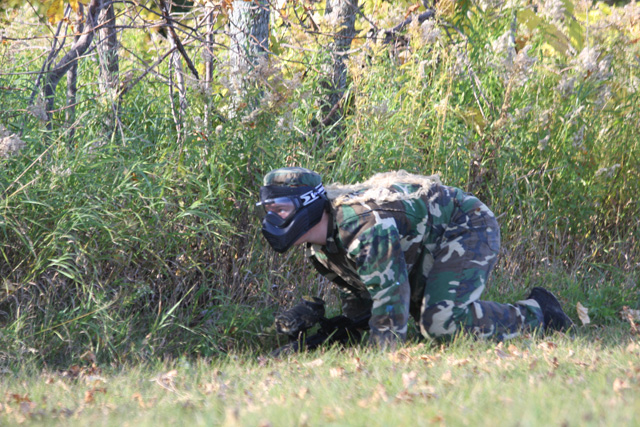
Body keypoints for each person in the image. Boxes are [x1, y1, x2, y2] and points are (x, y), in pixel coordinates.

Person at [257, 167, 573, 348]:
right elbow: (360, 296)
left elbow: (390, 295)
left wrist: (380, 361)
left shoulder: (363, 226)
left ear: (309, 206)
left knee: (440, 325)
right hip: (425, 246)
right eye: (269, 211)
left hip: (465, 226)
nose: (274, 220)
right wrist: (338, 336)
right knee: (421, 318)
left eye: (281, 210)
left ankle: (539, 313)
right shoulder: (320, 247)